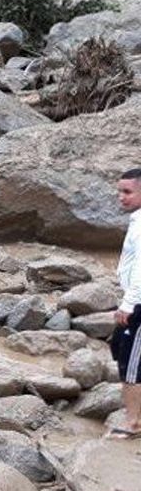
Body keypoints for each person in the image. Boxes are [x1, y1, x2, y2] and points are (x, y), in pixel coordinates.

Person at [109, 170, 141, 439]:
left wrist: (128, 305)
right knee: (118, 346)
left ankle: (133, 423)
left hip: (139, 303)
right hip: (134, 299)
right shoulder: (136, 220)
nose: (121, 197)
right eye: (120, 191)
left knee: (130, 362)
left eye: (128, 192)